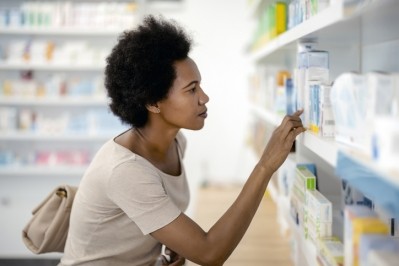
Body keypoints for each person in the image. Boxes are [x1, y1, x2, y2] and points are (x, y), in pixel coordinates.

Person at [59, 15, 305, 266]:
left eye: (201, 86)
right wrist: (265, 166)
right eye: (192, 89)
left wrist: (170, 242)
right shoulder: (125, 170)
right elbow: (210, 253)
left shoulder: (176, 143)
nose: (204, 97)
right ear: (153, 102)